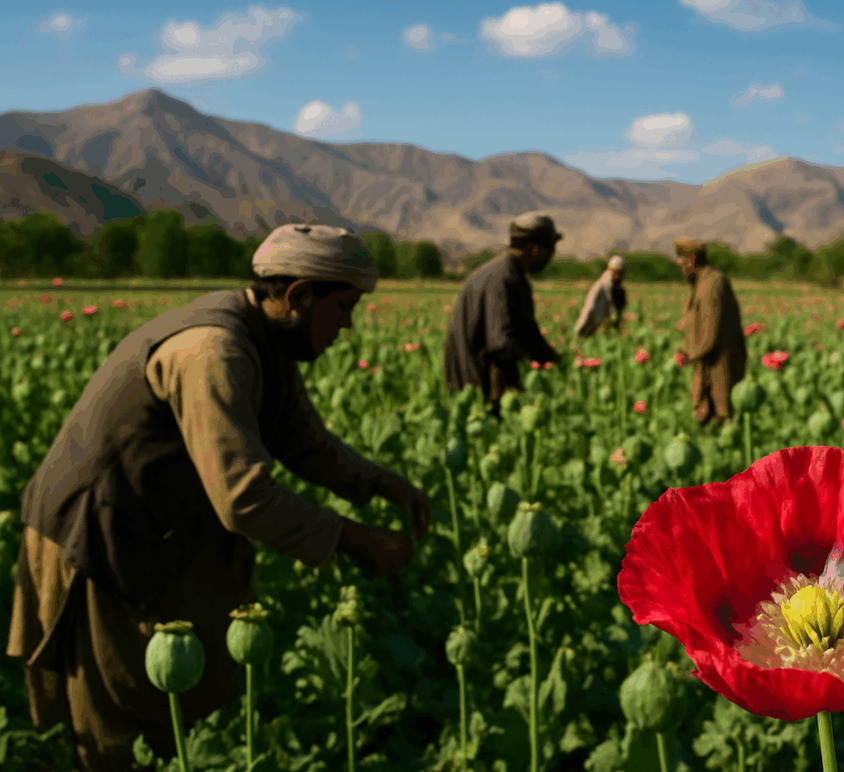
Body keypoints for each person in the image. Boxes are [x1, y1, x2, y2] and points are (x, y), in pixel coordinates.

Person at [6, 223, 431, 771]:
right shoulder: (214, 350)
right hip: (98, 538)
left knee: (190, 701)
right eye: (344, 307)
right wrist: (352, 540)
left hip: (155, 531)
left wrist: (382, 484)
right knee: (126, 723)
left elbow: (302, 440)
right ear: (299, 295)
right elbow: (243, 498)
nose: (348, 325)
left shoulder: (267, 338)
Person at [443, 212, 565, 414]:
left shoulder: (515, 275)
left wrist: (555, 359)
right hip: (475, 379)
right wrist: (530, 361)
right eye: (551, 248)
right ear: (535, 249)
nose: (553, 255)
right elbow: (500, 343)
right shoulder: (501, 279)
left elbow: (529, 331)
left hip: (483, 372)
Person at [674, 238, 747, 426]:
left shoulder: (711, 284)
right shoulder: (701, 281)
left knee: (721, 413)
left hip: (717, 362)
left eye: (682, 262)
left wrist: (690, 354)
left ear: (691, 260)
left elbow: (709, 333)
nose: (680, 267)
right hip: (707, 359)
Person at [574, 255, 627, 338]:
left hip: (609, 330)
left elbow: (619, 312)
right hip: (594, 328)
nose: (617, 275)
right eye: (615, 271)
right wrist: (580, 329)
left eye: (620, 272)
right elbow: (589, 308)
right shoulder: (600, 287)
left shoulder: (620, 291)